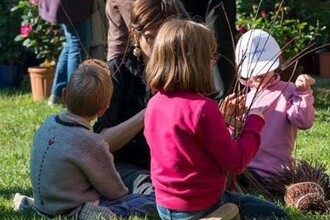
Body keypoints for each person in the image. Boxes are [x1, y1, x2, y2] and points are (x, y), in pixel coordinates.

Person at [144, 19, 288, 220]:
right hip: (201, 206)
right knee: (277, 214)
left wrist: (222, 120)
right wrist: (254, 121)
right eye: (211, 58)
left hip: (165, 206)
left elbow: (186, 144)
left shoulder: (154, 104)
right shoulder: (203, 108)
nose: (213, 63)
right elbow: (236, 162)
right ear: (197, 63)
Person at [30, 59, 156, 219]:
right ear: (103, 110)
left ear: (64, 94)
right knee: (154, 199)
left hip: (45, 206)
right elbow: (115, 192)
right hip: (77, 211)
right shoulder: (92, 142)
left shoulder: (48, 123)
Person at [94, 0, 186, 195]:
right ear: (135, 35)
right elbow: (103, 142)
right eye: (153, 37)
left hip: (173, 167)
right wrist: (149, 112)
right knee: (158, 194)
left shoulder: (182, 71)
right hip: (128, 166)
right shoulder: (119, 71)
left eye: (166, 37)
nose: (161, 46)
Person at [235, 29, 316, 185]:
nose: (259, 74)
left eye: (264, 68)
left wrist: (303, 92)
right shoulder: (245, 98)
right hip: (244, 169)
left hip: (274, 173)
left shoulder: (289, 90)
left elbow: (303, 122)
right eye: (253, 70)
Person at [39, 0, 93, 106]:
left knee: (72, 43)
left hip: (64, 5)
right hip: (72, 6)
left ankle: (58, 94)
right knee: (78, 45)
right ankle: (74, 97)